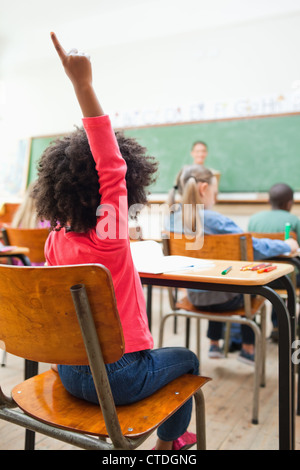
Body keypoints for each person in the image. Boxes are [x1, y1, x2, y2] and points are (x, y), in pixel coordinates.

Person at [32, 32, 200, 451]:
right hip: (121, 378)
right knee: (189, 361)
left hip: (69, 372)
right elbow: (112, 166)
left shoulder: (54, 241)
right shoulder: (109, 238)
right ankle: (168, 446)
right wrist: (83, 87)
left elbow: (108, 171)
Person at [165, 165, 299, 365]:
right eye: (215, 192)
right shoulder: (213, 219)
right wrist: (285, 245)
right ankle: (248, 349)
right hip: (229, 300)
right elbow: (253, 245)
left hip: (192, 296)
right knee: (252, 285)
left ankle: (215, 343)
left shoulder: (171, 218)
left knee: (213, 277)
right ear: (203, 189)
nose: (216, 198)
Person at [248, 182, 300, 341]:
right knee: (287, 272)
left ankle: (277, 327)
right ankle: (290, 328)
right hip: (288, 281)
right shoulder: (294, 220)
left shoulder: (254, 220)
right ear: (289, 203)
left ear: (269, 201)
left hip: (259, 278)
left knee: (275, 276)